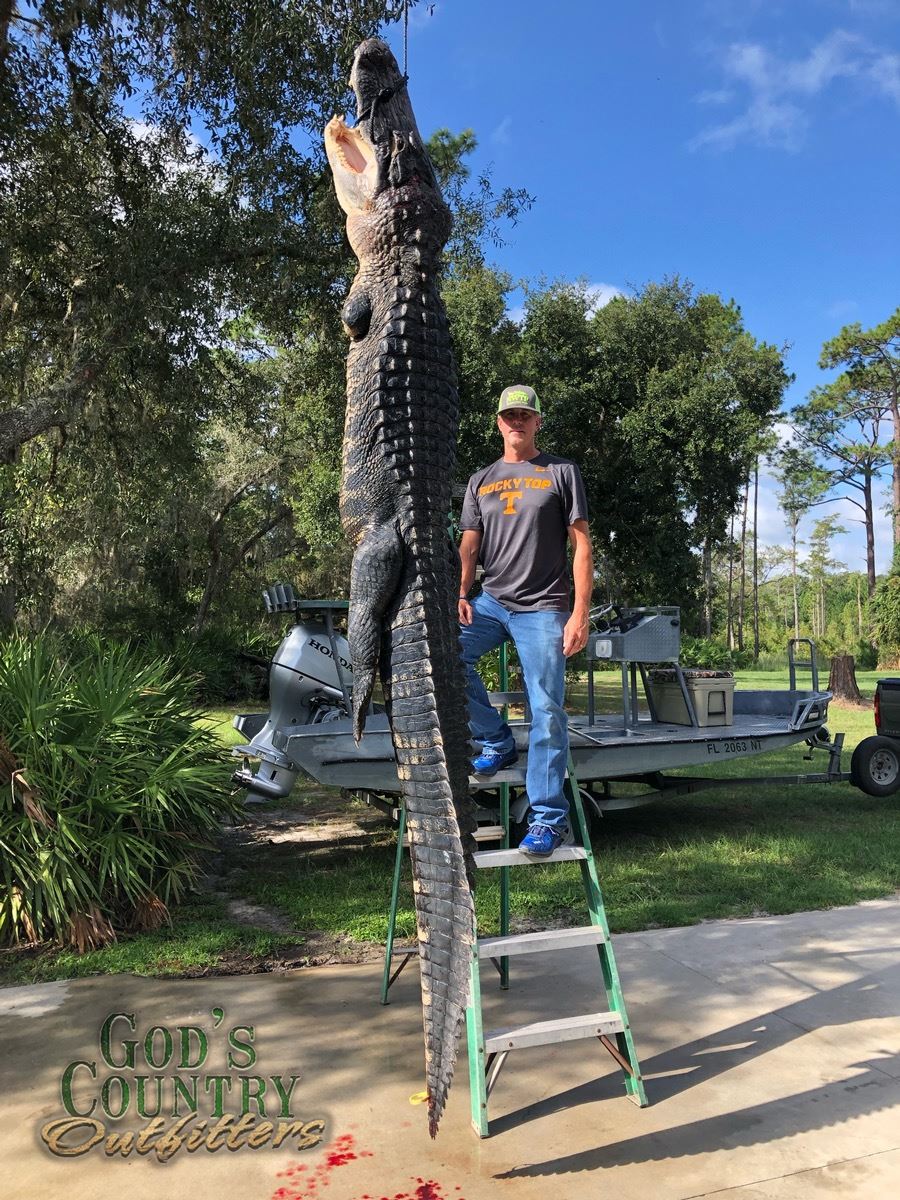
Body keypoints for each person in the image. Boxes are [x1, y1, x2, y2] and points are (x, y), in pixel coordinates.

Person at [457, 384, 593, 856]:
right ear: (499, 423)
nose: (517, 421)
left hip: (545, 606)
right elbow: (469, 546)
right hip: (492, 601)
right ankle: (495, 739)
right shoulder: (480, 480)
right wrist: (461, 593)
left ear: (537, 421)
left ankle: (548, 819)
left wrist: (579, 613)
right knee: (443, 656)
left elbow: (582, 546)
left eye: (525, 415)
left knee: (546, 710)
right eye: (509, 415)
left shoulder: (561, 471)